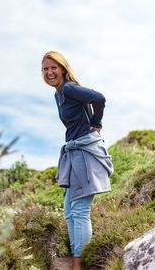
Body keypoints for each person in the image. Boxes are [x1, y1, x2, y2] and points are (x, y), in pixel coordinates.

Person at [41, 51, 113, 270]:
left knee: (80, 210)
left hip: (85, 151)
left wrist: (96, 123)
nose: (49, 72)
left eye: (53, 67)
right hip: (73, 152)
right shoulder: (58, 94)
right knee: (69, 211)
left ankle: (78, 264)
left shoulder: (70, 88)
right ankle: (76, 259)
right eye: (45, 69)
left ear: (63, 69)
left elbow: (99, 98)